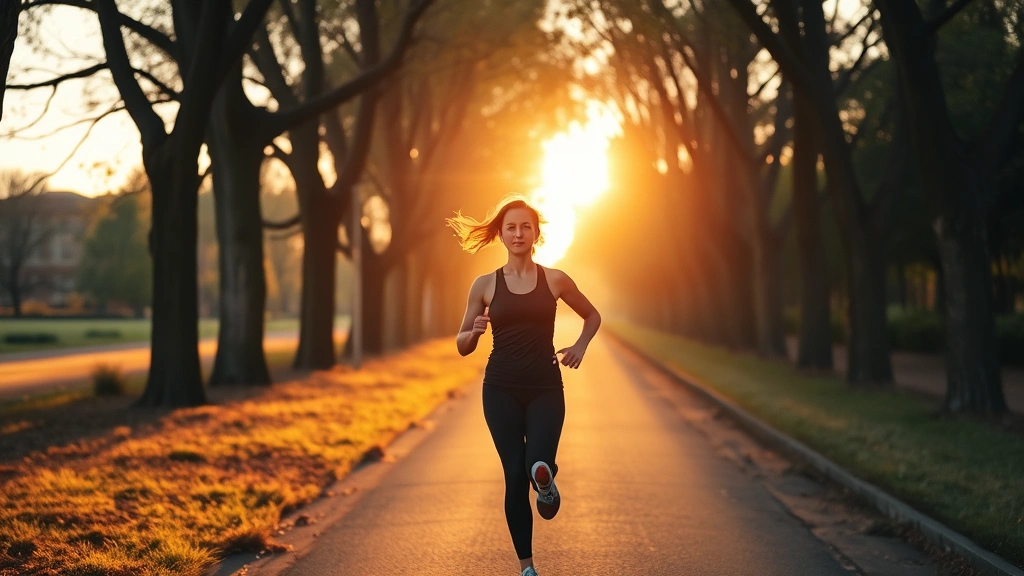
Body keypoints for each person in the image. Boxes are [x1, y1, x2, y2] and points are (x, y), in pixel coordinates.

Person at [446, 195, 602, 576]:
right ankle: (527, 567)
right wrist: (475, 332)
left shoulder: (555, 279)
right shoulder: (484, 285)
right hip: (499, 389)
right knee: (514, 475)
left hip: (546, 388)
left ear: (536, 234)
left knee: (537, 464)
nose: (519, 233)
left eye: (526, 227)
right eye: (511, 227)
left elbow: (592, 314)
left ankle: (546, 483)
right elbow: (462, 344)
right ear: (501, 234)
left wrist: (580, 346)